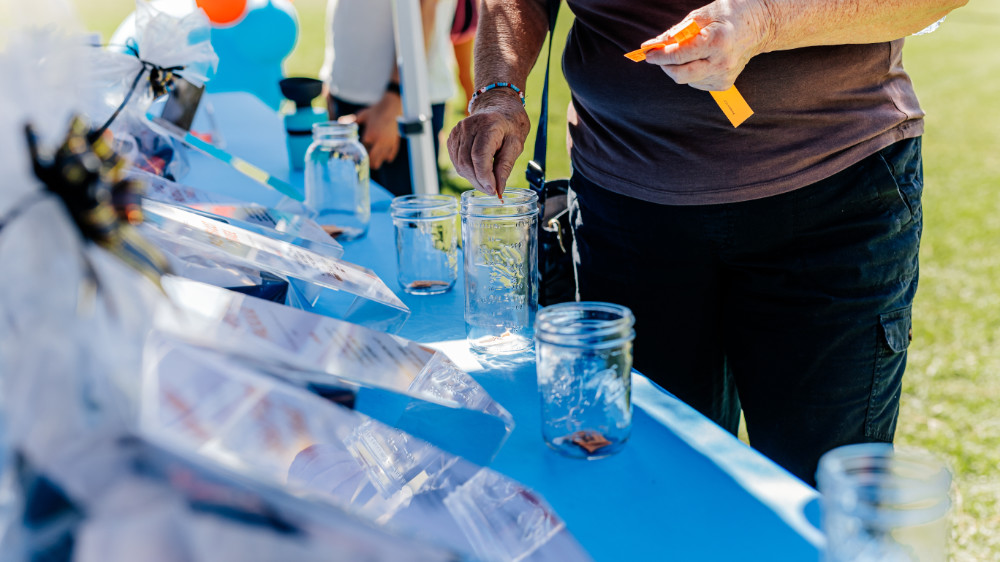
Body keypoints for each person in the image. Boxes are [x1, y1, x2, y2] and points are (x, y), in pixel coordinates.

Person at [447, 0, 967, 485]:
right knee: (655, 481)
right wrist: (499, 91)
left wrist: (764, 21)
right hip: (624, 211)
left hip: (830, 195)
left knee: (817, 493)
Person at [320, 0, 457, 196]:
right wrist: (333, 77)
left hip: (401, 104)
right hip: (349, 94)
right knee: (346, 212)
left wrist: (396, 97)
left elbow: (427, 4)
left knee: (406, 220)